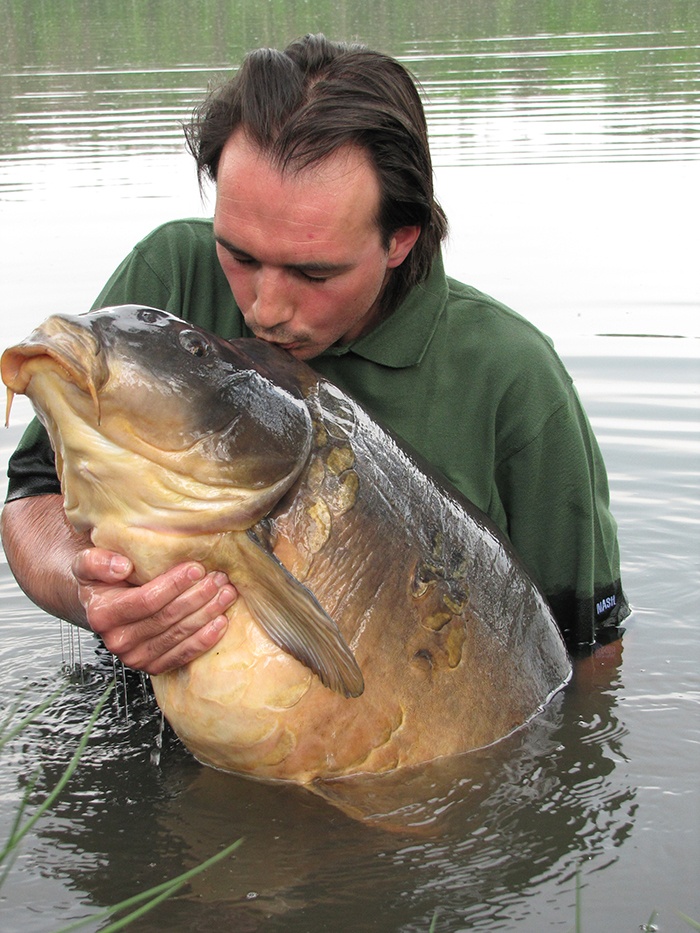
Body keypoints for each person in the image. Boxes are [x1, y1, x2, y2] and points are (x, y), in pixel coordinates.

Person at [1, 34, 629, 676]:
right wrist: (92, 593)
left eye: (315, 273)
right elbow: (32, 496)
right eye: (240, 256)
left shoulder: (513, 376)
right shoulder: (167, 289)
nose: (265, 309)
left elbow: (589, 649)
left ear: (399, 239)